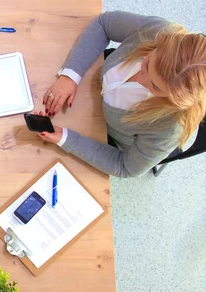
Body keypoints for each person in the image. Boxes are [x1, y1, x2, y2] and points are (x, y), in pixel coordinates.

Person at [36, 11, 206, 178]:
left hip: (105, 133)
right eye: (147, 64)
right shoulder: (158, 30)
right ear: (163, 41)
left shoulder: (169, 128)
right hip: (91, 90)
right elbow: (104, 24)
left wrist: (66, 139)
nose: (139, 78)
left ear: (174, 100)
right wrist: (71, 75)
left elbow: (125, 166)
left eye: (154, 86)